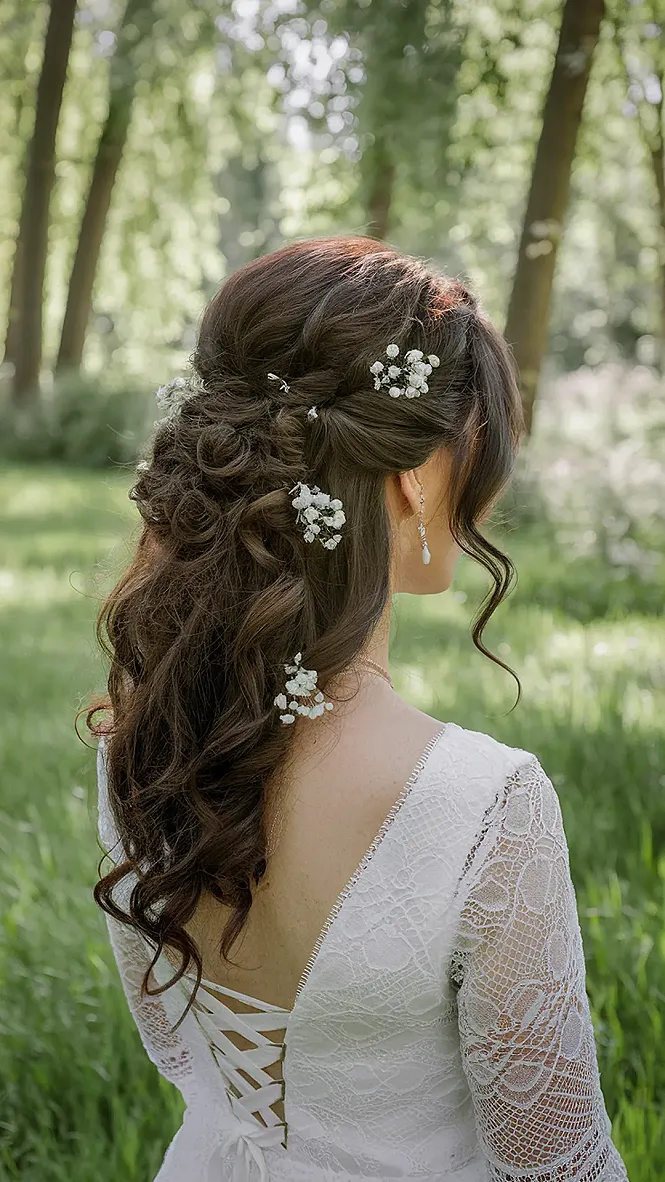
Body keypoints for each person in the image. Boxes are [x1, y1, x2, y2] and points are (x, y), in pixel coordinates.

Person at [90, 236, 628, 1181]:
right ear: (417, 472)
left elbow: (179, 1049)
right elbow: (555, 1165)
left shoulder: (142, 747)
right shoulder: (482, 806)